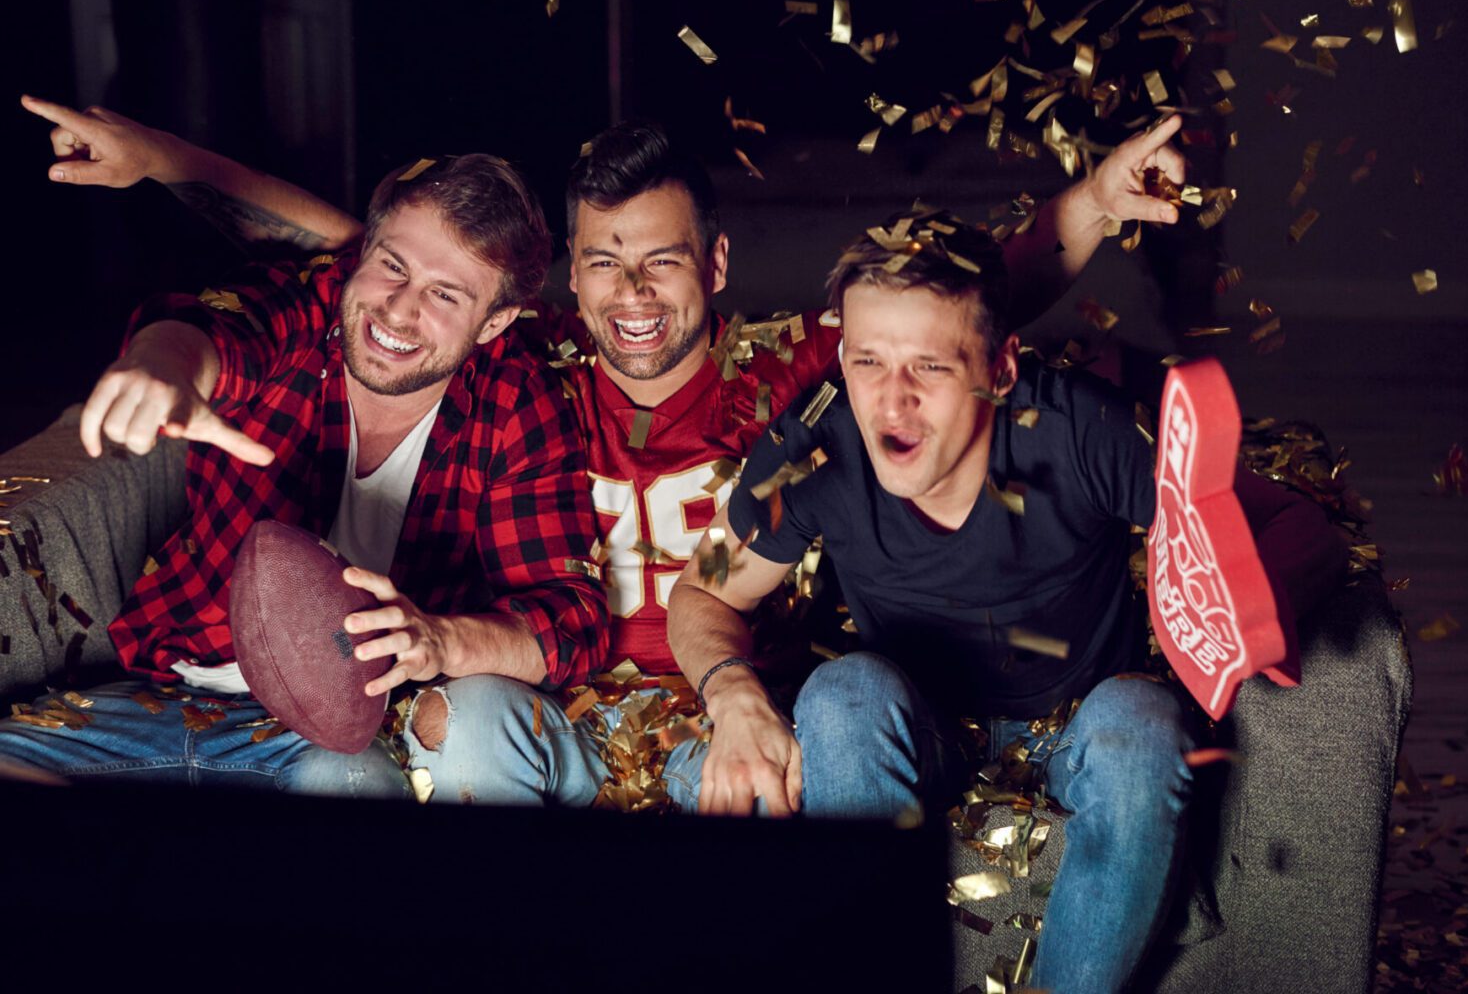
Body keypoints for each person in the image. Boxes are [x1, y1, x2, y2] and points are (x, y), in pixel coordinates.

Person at [17, 96, 1190, 811]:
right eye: (603, 265)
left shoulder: (788, 375)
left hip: (713, 711)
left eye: (663, 262)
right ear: (565, 282)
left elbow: (958, 310)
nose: (631, 296)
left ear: (716, 268)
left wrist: (1089, 203)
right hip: (555, 716)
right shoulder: (535, 374)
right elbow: (366, 261)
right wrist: (168, 163)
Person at [665, 205, 1349, 988]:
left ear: (999, 368)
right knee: (840, 695)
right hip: (915, 727)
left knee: (1140, 724)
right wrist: (733, 696)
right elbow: (700, 591)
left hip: (1079, 725)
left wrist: (1249, 601)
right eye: (866, 362)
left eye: (928, 366)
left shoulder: (1085, 429)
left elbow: (1297, 524)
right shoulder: (809, 447)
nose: (891, 402)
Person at [2, 99, 608, 796]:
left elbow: (572, 620)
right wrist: (161, 367)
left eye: (445, 294)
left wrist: (439, 640)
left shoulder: (515, 401)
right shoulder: (314, 305)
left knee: (344, 790)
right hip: (167, 693)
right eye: (392, 266)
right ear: (362, 256)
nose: (400, 310)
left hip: (335, 736)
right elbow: (214, 325)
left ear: (497, 320)